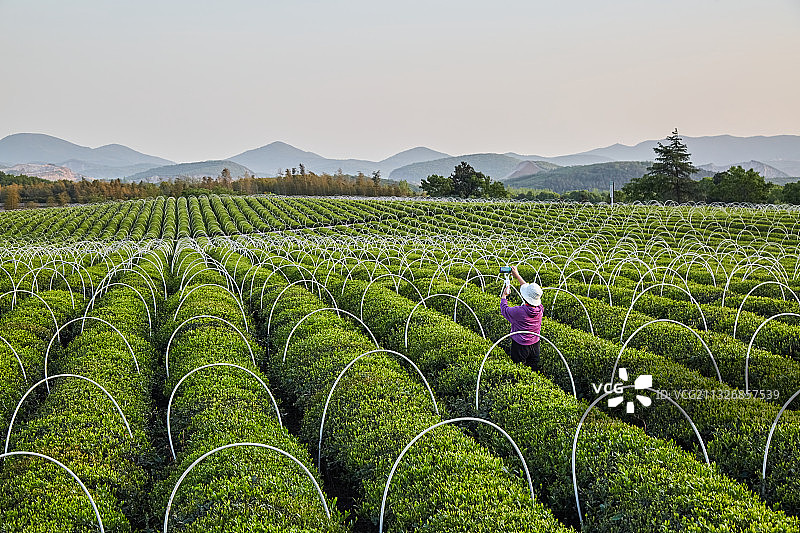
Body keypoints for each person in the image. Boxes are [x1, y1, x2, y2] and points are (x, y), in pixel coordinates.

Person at [500, 265, 543, 371]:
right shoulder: (540, 309)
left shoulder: (519, 311)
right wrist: (517, 275)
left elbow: (505, 310)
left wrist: (504, 296)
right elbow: (530, 292)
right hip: (535, 344)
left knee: (517, 369)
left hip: (520, 346)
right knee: (533, 369)